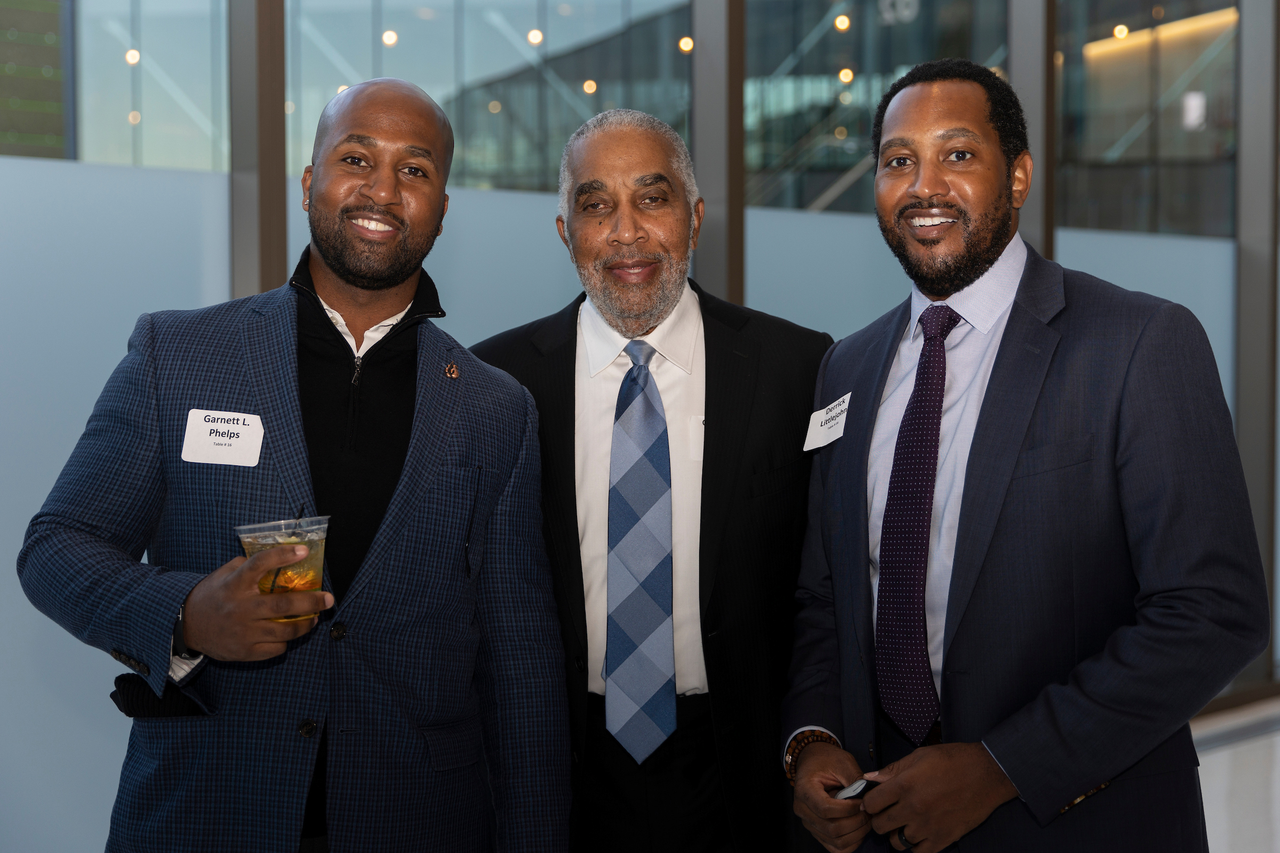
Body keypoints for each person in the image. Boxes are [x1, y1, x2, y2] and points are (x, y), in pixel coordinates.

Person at [18, 79, 569, 853]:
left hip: (416, 820)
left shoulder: (494, 408)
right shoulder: (175, 355)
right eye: (355, 157)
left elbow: (520, 659)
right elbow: (56, 546)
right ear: (311, 183)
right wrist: (184, 614)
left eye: (414, 170)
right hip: (206, 810)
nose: (381, 188)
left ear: (442, 210)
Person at [782, 58, 1270, 853]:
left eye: (958, 154)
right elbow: (823, 598)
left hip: (1081, 824)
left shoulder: (1140, 344)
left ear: (1019, 176)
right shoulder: (848, 367)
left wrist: (1000, 766)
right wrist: (811, 739)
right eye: (898, 160)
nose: (924, 184)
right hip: (880, 824)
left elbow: (1213, 609)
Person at [472, 109, 833, 852]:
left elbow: (823, 586)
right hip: (562, 761)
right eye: (596, 204)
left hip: (741, 765)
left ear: (695, 219)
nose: (626, 232)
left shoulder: (798, 367)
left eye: (653, 197)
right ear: (566, 232)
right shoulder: (496, 382)